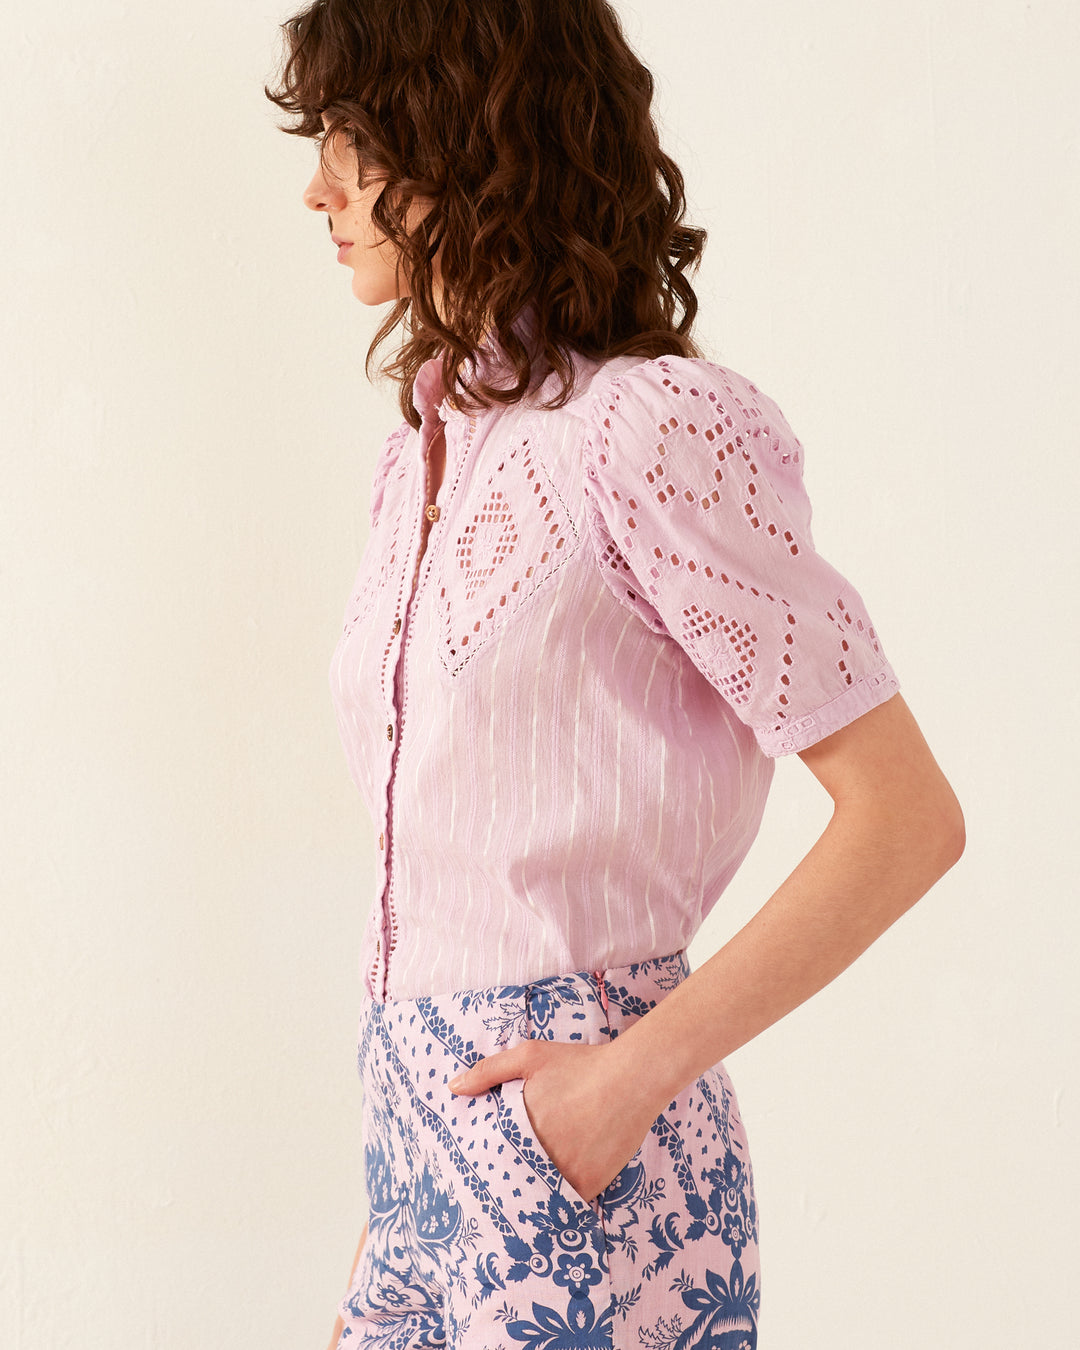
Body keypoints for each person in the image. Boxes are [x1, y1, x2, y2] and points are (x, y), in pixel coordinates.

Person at [266, 3, 965, 1347]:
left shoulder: (646, 433)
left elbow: (906, 817)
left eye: (350, 144)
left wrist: (617, 1087)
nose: (319, 186)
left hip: (591, 1164)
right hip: (415, 1153)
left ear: (459, 136)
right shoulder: (421, 454)